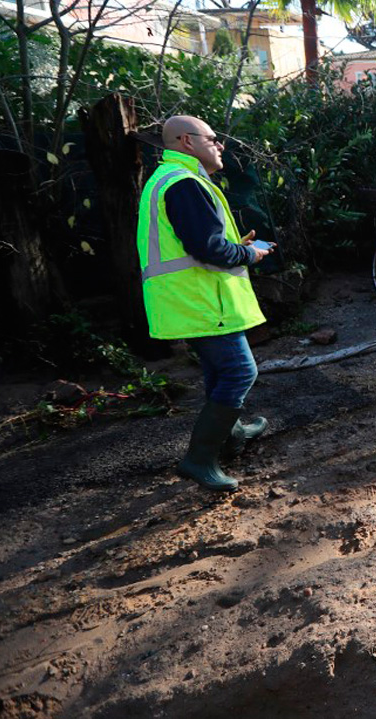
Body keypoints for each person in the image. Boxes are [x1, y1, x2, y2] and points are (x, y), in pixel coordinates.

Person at [136, 115, 274, 492]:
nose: (220, 145)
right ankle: (199, 460)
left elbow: (199, 244)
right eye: (213, 138)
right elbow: (209, 249)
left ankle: (233, 434)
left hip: (195, 300)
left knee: (221, 371)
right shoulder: (183, 184)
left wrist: (238, 248)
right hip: (200, 301)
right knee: (239, 373)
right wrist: (250, 256)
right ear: (186, 141)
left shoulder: (175, 180)